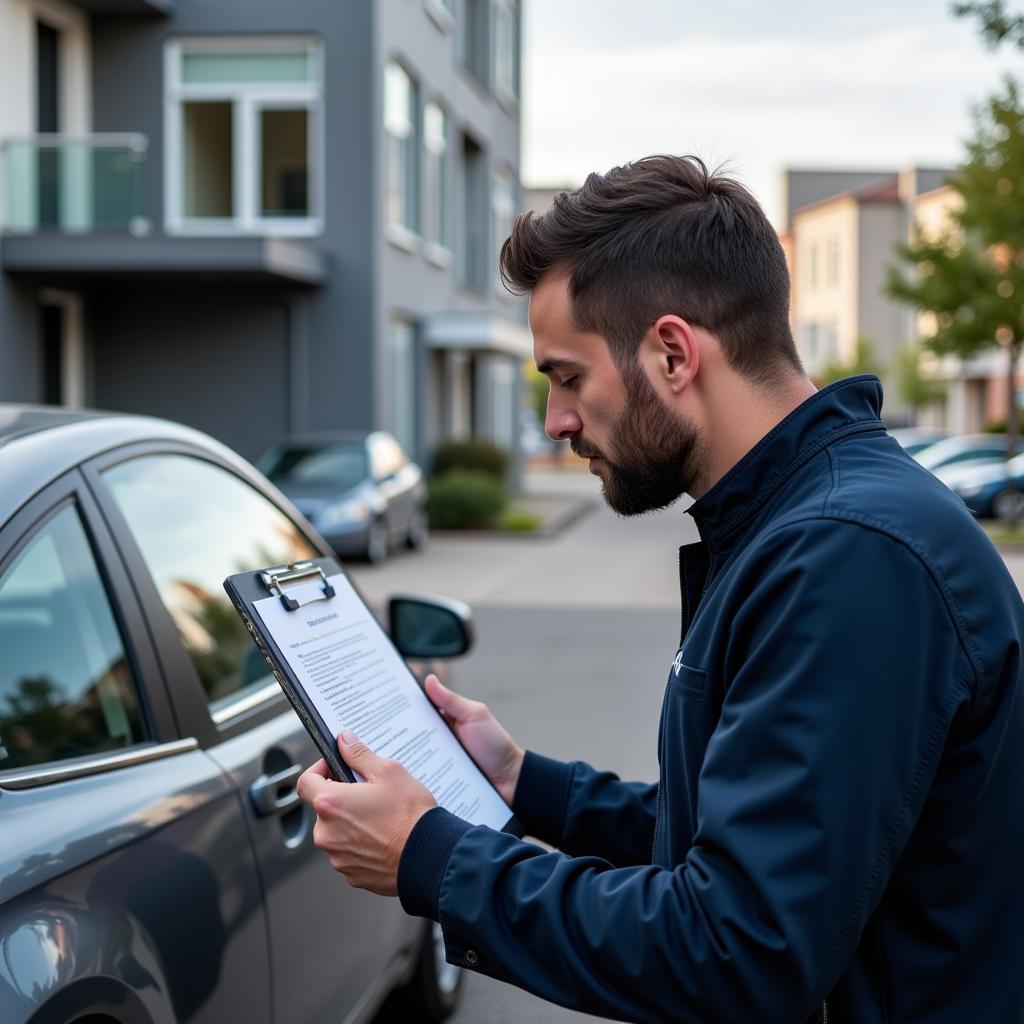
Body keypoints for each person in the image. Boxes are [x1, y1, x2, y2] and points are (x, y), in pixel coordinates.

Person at [297, 155, 1024, 1023]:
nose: (557, 420)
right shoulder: (799, 527)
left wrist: (432, 857)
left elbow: (738, 950)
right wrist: (527, 784)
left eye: (567, 377)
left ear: (673, 353)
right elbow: (742, 844)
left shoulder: (845, 557)